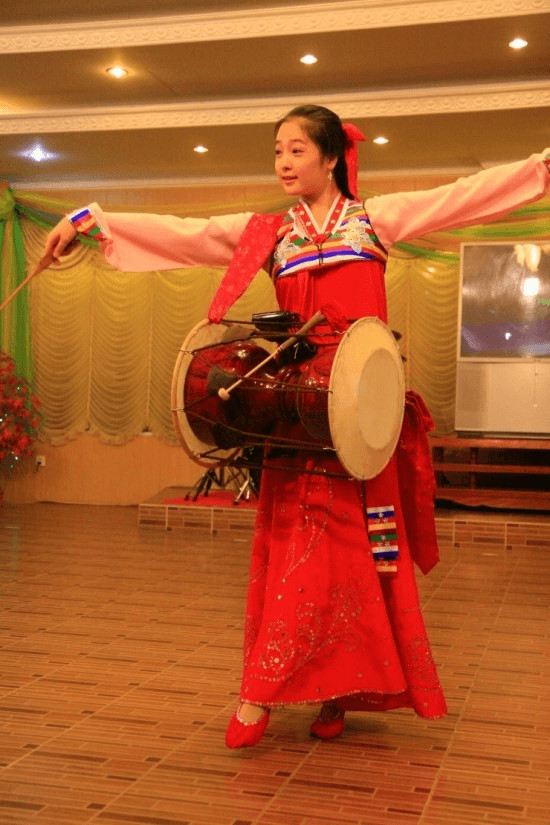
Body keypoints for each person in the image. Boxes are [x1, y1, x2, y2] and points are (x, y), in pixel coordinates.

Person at [44, 105, 550, 748]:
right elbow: (187, 234)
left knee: (367, 559)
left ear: (331, 157)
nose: (283, 163)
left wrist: (539, 169)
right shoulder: (269, 234)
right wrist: (89, 221)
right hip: (296, 421)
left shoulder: (374, 220)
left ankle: (337, 693)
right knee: (300, 556)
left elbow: (460, 197)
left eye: (296, 150)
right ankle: (258, 692)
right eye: (277, 151)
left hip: (362, 422)